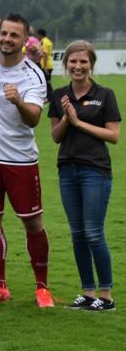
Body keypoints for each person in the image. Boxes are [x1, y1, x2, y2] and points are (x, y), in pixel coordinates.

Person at [0, 14, 53, 307]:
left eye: (13, 35)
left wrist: (17, 101)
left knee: (32, 223)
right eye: (3, 33)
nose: (6, 39)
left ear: (24, 40)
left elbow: (34, 120)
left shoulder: (32, 74)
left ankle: (42, 288)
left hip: (20, 161)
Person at [49, 40, 120, 311]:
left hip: (95, 171)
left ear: (91, 64)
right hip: (67, 169)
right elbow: (55, 137)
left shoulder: (105, 94)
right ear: (66, 64)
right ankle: (88, 293)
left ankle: (106, 296)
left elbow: (113, 136)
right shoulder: (59, 95)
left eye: (83, 62)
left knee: (93, 232)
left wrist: (79, 122)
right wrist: (67, 119)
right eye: (73, 62)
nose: (78, 67)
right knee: (77, 233)